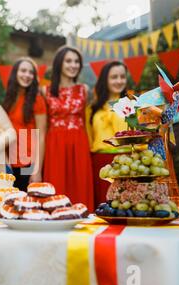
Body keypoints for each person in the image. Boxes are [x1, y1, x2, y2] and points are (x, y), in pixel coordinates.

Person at [43, 45, 94, 211]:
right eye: (68, 61)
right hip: (54, 145)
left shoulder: (84, 90)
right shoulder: (46, 91)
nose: (73, 65)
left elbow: (88, 121)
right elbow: (42, 127)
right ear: (59, 63)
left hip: (79, 143)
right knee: (56, 190)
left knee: (80, 187)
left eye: (77, 61)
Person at [86, 61, 130, 207]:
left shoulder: (133, 106)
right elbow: (88, 138)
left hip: (127, 163)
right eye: (114, 77)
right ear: (105, 80)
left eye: (122, 77)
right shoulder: (92, 109)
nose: (119, 81)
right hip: (100, 163)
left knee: (126, 206)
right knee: (103, 206)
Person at [2, 57, 47, 191]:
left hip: (28, 163)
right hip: (9, 163)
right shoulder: (8, 99)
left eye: (31, 72)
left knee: (26, 206)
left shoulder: (37, 100)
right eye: (23, 71)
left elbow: (41, 136)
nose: (27, 75)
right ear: (15, 73)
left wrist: (37, 170)